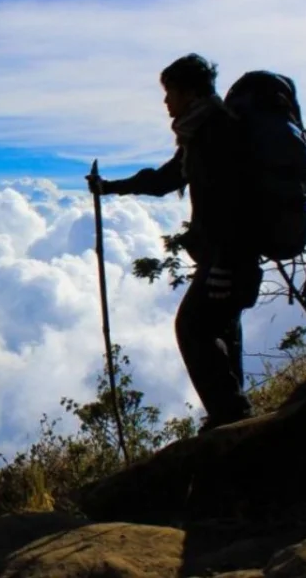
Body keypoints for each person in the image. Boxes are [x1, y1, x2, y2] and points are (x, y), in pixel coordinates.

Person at [87, 53, 261, 433]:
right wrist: (111, 188)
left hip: (228, 258)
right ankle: (236, 415)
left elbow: (234, 200)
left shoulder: (216, 133)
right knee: (220, 331)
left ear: (189, 92)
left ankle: (231, 418)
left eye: (170, 93)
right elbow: (167, 178)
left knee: (194, 328)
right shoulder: (204, 132)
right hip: (230, 257)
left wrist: (224, 261)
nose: (166, 102)